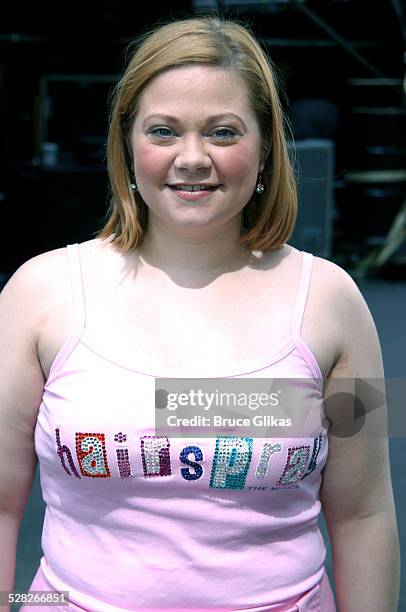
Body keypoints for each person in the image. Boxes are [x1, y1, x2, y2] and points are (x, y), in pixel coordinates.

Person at [0, 15, 400, 612]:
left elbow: (364, 510)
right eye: (163, 131)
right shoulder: (39, 293)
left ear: (265, 146)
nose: (192, 158)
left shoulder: (333, 302)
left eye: (223, 132)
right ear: (127, 143)